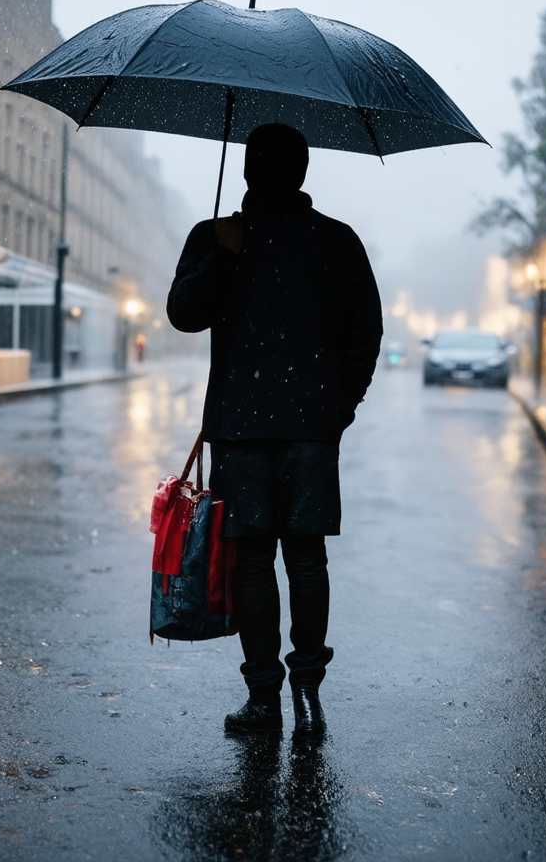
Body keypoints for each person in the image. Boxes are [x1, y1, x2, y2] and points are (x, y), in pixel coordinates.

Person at [165, 122, 383, 739]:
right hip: (282, 428)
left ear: (249, 172)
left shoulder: (306, 240)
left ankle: (268, 697)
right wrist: (341, 405)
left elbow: (365, 331)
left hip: (259, 428)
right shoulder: (324, 241)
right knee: (296, 560)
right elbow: (186, 314)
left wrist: (339, 407)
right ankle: (300, 694)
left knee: (264, 563)